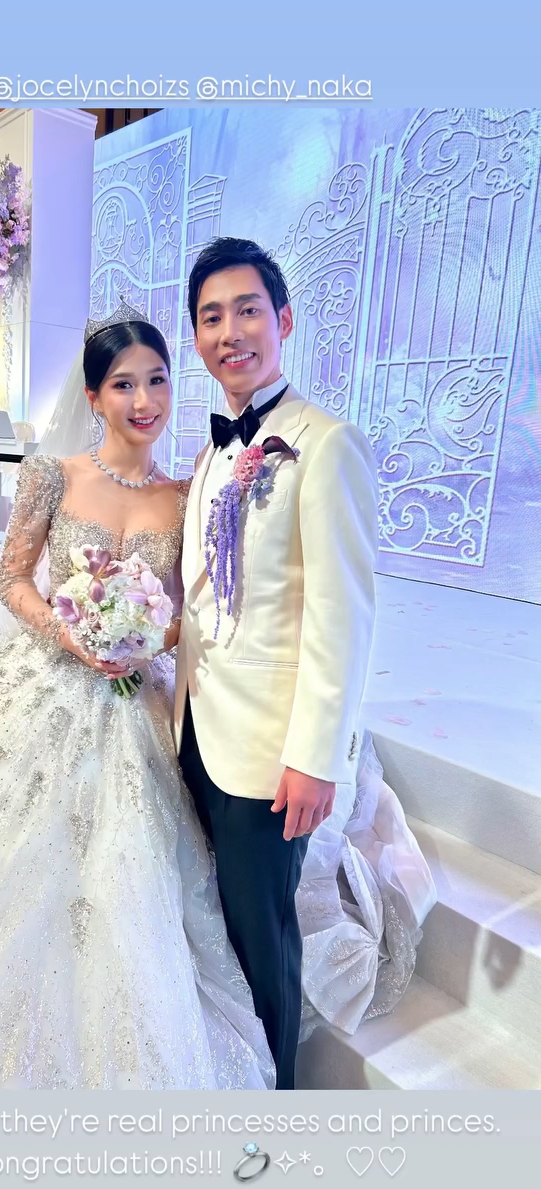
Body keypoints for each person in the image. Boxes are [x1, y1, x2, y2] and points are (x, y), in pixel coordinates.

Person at [0, 305, 275, 1091]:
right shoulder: (52, 475)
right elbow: (12, 579)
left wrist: (144, 640)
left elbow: (189, 610)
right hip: (46, 685)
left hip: (134, 702)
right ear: (93, 396)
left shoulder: (185, 494)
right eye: (123, 384)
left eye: (157, 380)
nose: (144, 400)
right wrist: (74, 633)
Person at [175, 237, 437, 1089]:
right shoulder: (210, 455)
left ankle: (276, 1111)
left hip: (268, 755)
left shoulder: (327, 445)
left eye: (247, 310)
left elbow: (342, 616)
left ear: (283, 321)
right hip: (196, 731)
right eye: (211, 317)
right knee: (216, 930)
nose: (230, 332)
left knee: (264, 942)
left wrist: (317, 758)